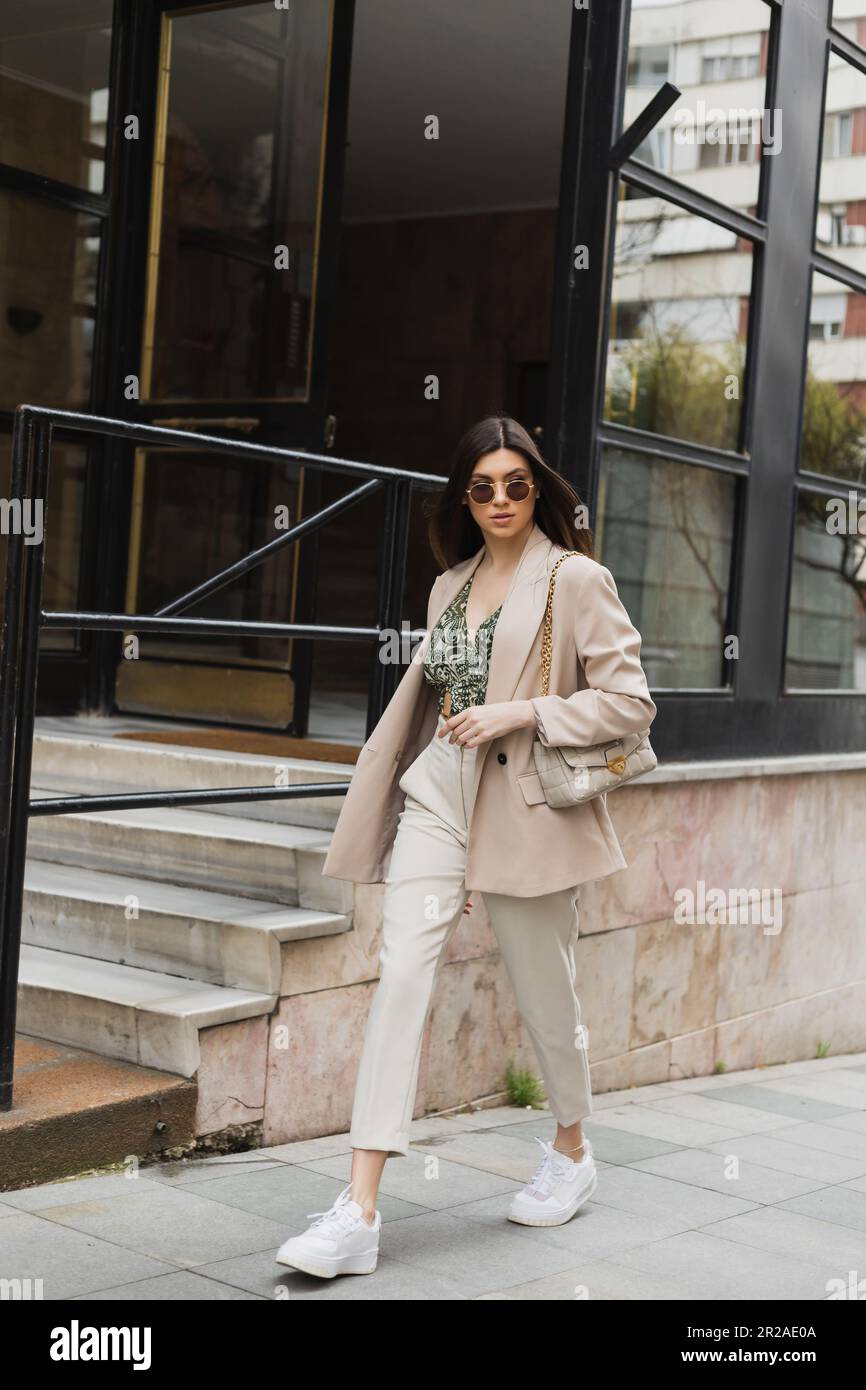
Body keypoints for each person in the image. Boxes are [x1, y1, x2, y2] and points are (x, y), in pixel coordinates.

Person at [275, 415, 656, 1279]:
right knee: (400, 974)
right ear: (463, 496)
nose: (499, 501)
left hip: (524, 804)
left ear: (539, 489)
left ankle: (571, 1148)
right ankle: (359, 1209)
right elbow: (438, 697)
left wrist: (526, 711)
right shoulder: (450, 584)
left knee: (543, 991)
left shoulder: (577, 579)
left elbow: (631, 704)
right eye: (481, 487)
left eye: (516, 485)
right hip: (441, 795)